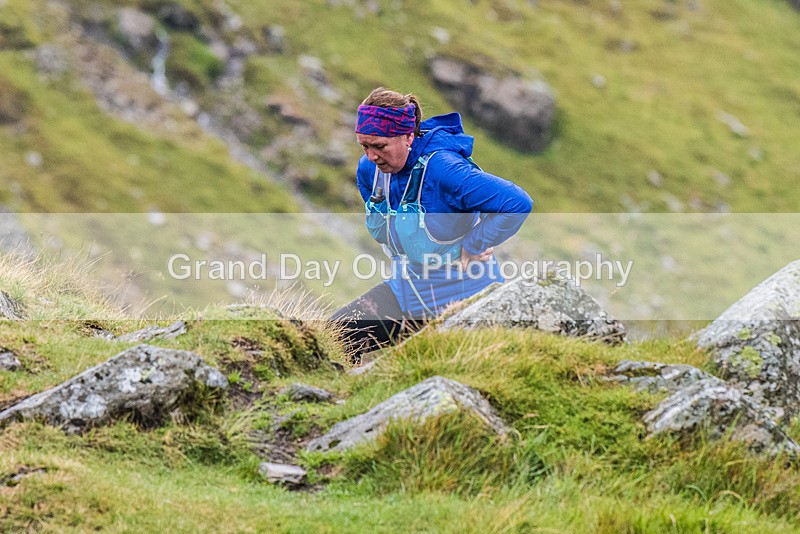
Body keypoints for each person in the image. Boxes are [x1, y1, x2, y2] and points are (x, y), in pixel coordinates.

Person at [331, 87, 533, 362]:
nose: (371, 156)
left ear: (408, 136)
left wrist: (475, 244)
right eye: (364, 146)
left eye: (379, 146)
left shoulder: (445, 169)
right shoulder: (370, 171)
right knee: (332, 338)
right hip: (407, 295)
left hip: (469, 301)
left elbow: (517, 203)